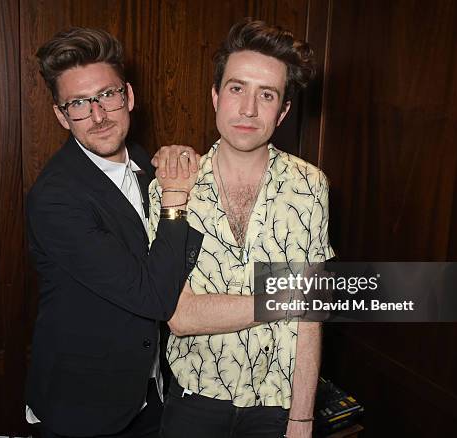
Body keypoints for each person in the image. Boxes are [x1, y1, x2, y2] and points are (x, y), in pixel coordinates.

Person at [148, 19, 335, 438]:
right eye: (236, 88)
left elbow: (310, 320)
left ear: (283, 111)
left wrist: (302, 419)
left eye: (266, 95)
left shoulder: (310, 186)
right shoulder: (172, 186)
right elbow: (180, 315)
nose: (249, 109)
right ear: (215, 95)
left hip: (278, 406)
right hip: (194, 400)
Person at [25, 27, 203, 438]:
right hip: (85, 407)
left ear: (129, 96)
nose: (99, 116)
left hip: (150, 391)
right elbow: (152, 296)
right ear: (60, 115)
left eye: (107, 95)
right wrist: (176, 197)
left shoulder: (141, 158)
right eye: (79, 104)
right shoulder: (54, 199)